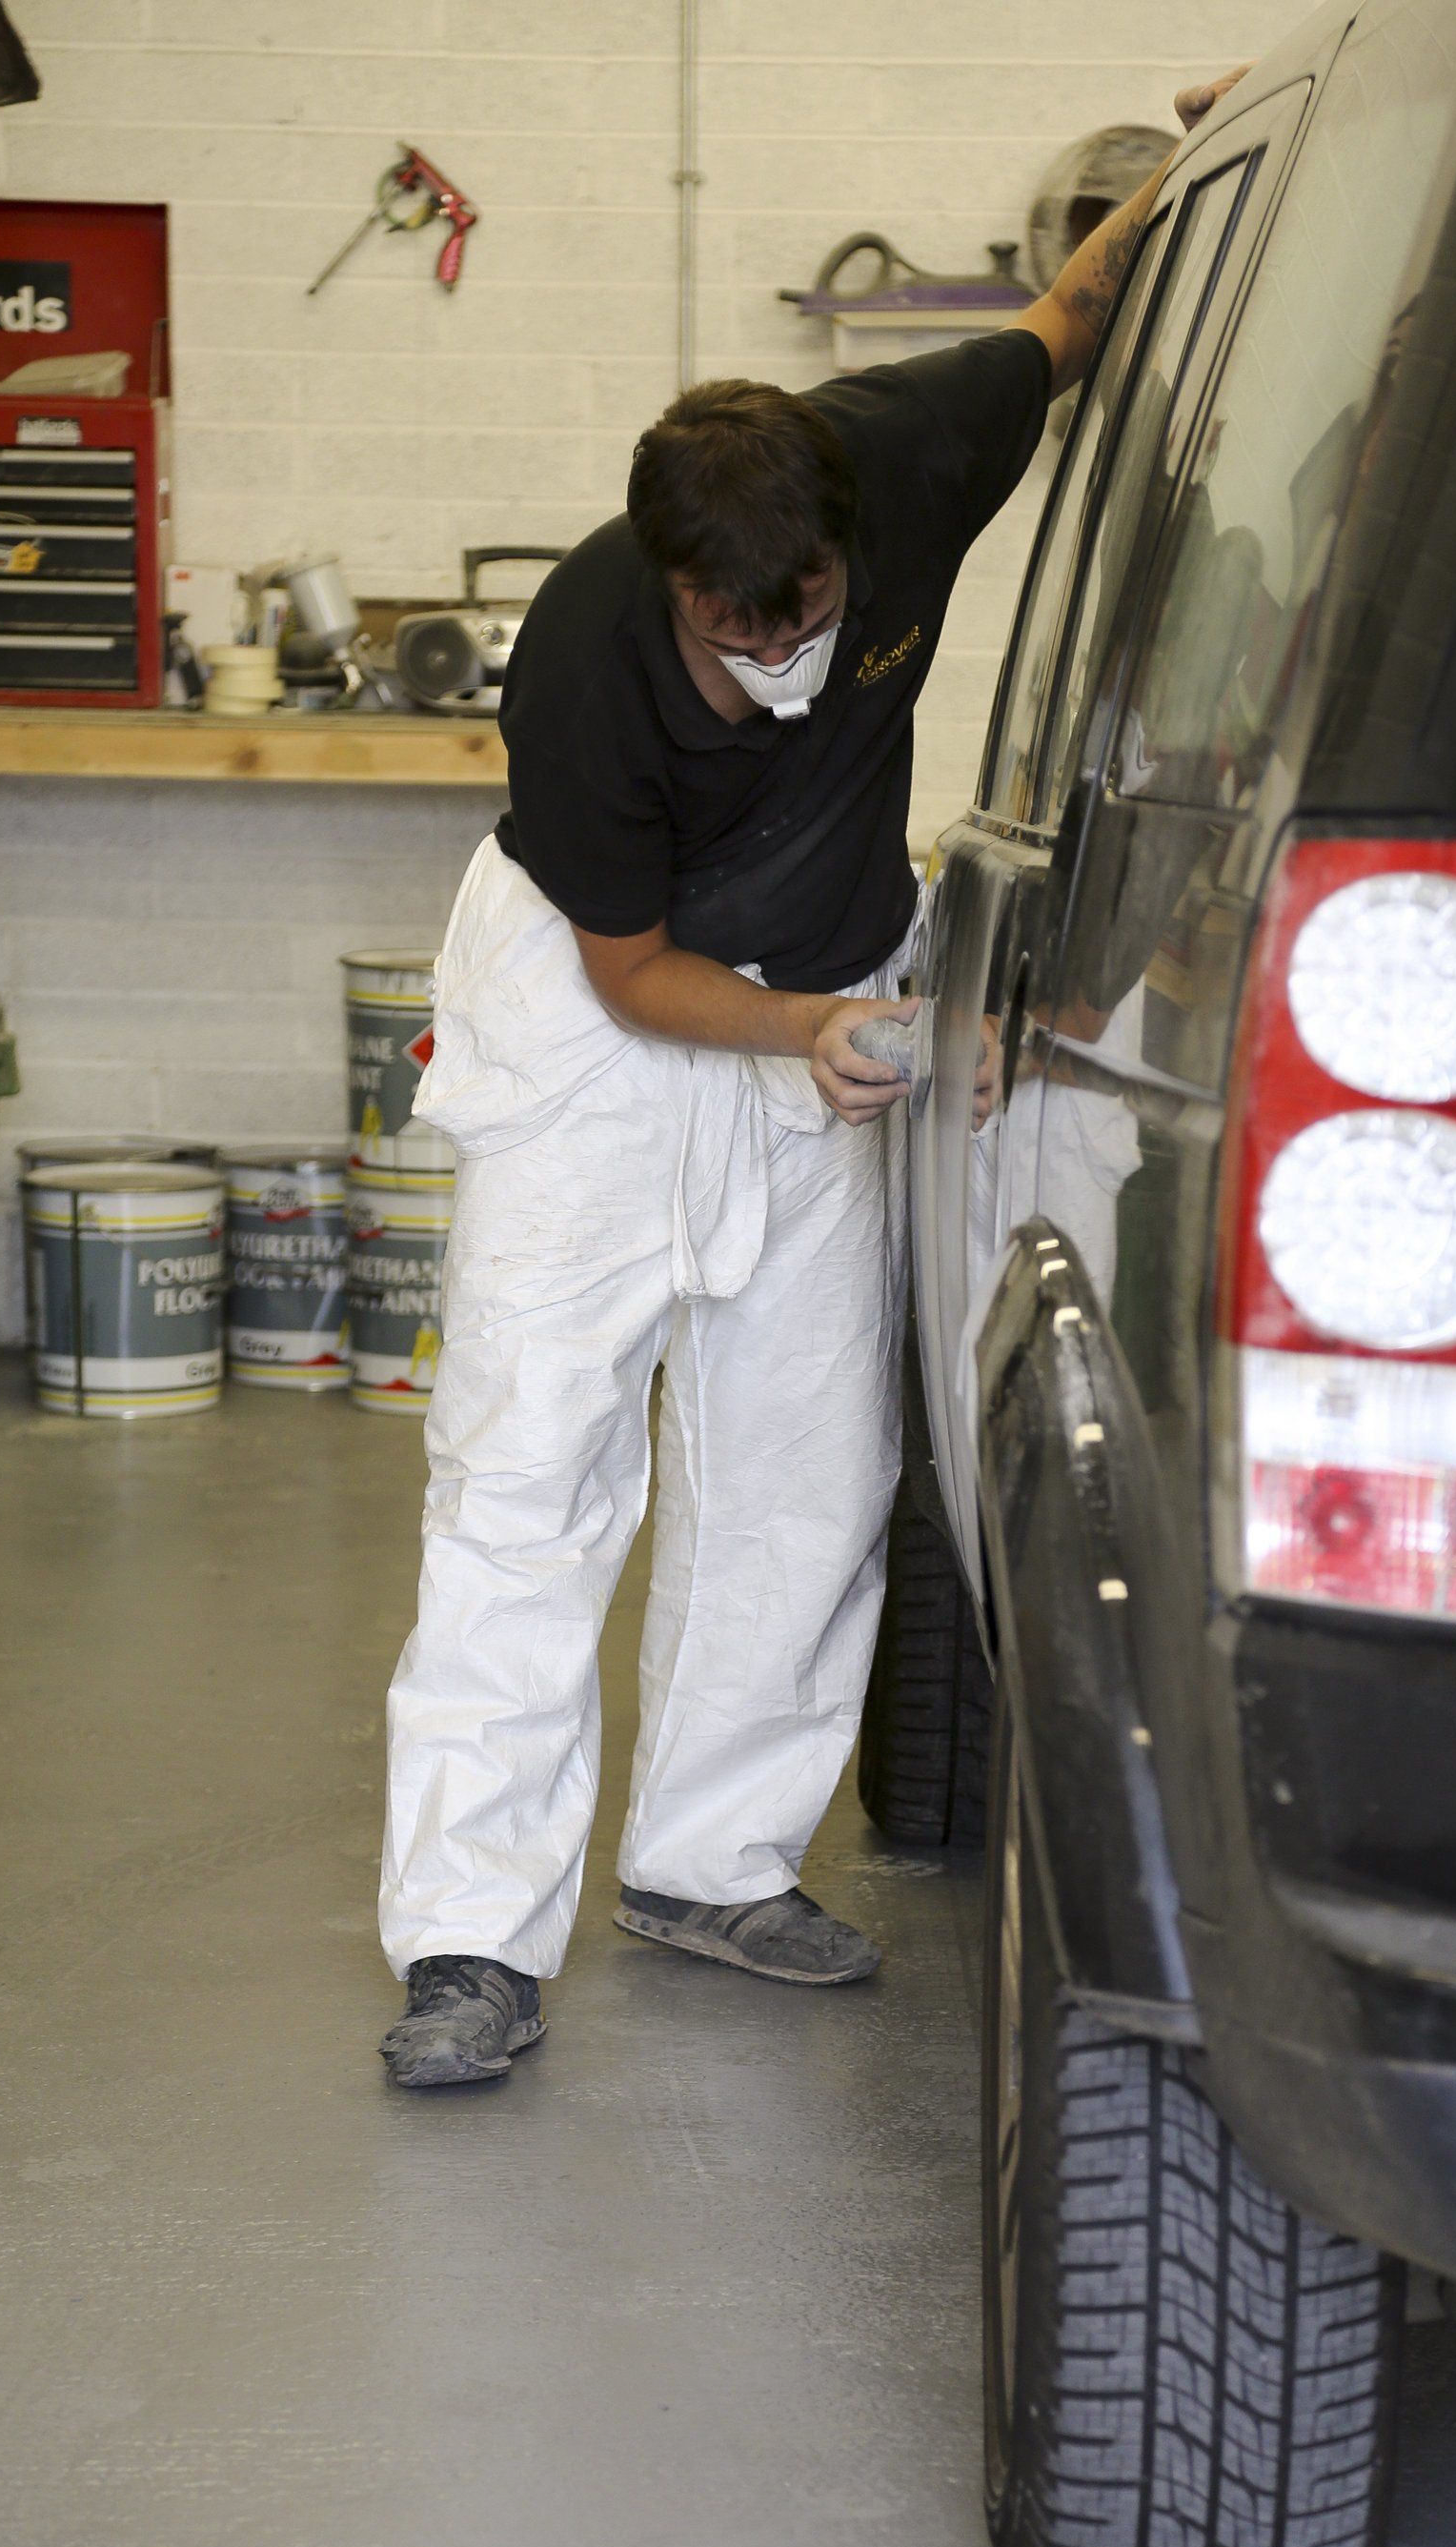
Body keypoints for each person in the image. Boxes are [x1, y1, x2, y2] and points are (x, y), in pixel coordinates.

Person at [377, 69, 1250, 2089]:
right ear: (668, 585)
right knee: (532, 1472)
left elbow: (1072, 317)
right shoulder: (588, 659)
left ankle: (712, 1861)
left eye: (812, 626)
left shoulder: (901, 460)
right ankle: (467, 1944)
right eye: (734, 640)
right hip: (607, 1026)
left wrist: (1184, 163)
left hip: (817, 988)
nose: (778, 659)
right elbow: (634, 969)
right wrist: (812, 1040)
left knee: (805, 1466)